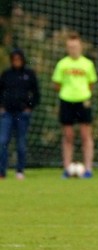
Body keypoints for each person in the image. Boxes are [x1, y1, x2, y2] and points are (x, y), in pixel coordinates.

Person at [52, 32, 97, 178]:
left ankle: (88, 169)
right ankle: (66, 168)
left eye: (75, 47)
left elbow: (91, 84)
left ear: (80, 47)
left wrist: (82, 94)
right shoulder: (62, 64)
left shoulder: (87, 64)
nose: (73, 49)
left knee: (86, 135)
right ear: (67, 48)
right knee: (68, 135)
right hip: (66, 101)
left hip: (83, 101)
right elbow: (57, 84)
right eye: (70, 47)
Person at [0, 48, 40, 179]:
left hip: (22, 114)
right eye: (14, 59)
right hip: (7, 113)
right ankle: (2, 171)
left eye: (19, 59)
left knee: (21, 143)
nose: (16, 61)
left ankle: (20, 170)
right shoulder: (6, 74)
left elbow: (36, 94)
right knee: (3, 141)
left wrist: (29, 107)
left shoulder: (29, 74)